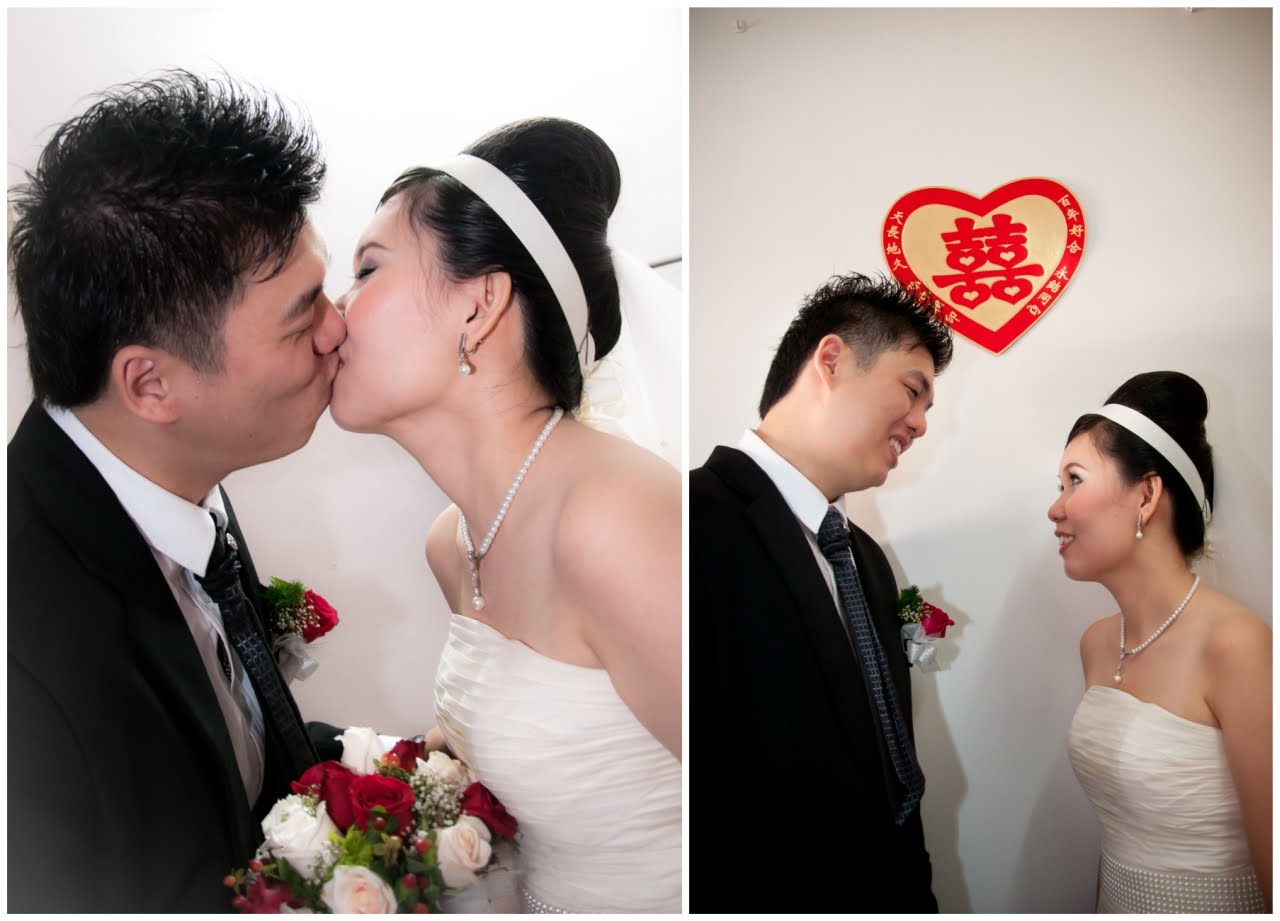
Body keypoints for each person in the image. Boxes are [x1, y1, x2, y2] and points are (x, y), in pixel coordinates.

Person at [8, 71, 347, 912]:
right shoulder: (27, 662)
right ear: (151, 385)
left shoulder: (174, 471)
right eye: (303, 314)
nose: (338, 327)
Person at [329, 117, 681, 913]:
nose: (337, 310)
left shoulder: (615, 517)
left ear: (480, 303)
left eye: (368, 269)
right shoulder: (452, 545)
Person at [689, 272, 950, 912]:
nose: (920, 424)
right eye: (911, 390)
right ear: (830, 361)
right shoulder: (689, 520)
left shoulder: (867, 559)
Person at [1052, 371, 1271, 913]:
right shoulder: (1097, 644)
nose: (1056, 510)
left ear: (1147, 495)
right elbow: (1119, 834)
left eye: (1075, 480)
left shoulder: (1237, 646)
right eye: (1060, 488)